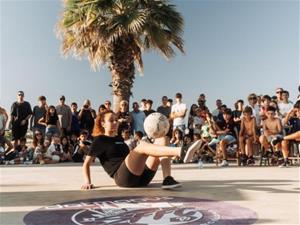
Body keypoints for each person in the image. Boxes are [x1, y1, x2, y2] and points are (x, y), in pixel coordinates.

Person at [81, 110, 191, 190]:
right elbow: (86, 163)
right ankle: (181, 151)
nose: (115, 122)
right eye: (111, 120)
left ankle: (167, 179)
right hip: (123, 178)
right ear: (102, 123)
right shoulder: (100, 140)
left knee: (162, 138)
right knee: (142, 145)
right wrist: (87, 182)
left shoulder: (119, 138)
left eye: (116, 120)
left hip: (142, 177)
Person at [279, 101, 300, 167]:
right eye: (296, 111)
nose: (298, 112)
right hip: (293, 137)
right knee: (284, 142)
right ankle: (286, 161)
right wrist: (289, 112)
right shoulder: (293, 118)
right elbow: (284, 123)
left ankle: (281, 138)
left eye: (299, 110)